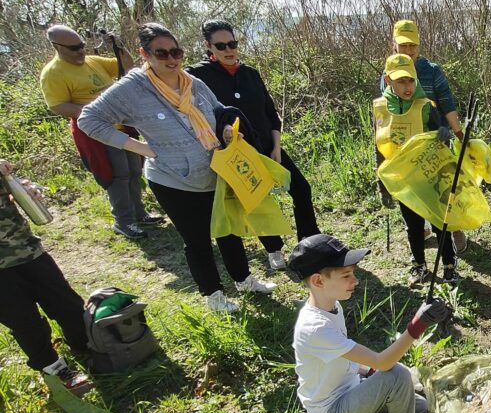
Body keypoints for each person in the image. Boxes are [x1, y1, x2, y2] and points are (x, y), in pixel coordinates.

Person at [78, 23, 276, 313]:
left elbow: (218, 109)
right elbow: (89, 119)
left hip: (214, 170)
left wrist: (225, 131)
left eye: (176, 52)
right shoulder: (132, 89)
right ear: (144, 54)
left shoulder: (191, 82)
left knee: (228, 229)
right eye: (162, 53)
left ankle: (243, 279)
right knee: (197, 240)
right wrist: (141, 148)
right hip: (173, 179)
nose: (171, 59)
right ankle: (214, 295)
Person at [288, 233, 450, 413]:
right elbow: (382, 362)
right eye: (346, 276)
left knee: (418, 407)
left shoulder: (332, 306)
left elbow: (348, 361)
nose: (355, 281)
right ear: (318, 281)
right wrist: (417, 325)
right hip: (333, 412)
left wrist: (371, 374)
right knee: (397, 375)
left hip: (350, 390)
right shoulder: (316, 328)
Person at [187, 19, 321, 272]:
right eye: (221, 45)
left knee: (301, 189)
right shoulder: (197, 77)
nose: (229, 50)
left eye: (233, 43)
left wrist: (276, 147)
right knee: (256, 199)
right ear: (208, 47)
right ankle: (274, 249)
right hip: (236, 153)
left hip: (269, 145)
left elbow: (270, 113)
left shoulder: (250, 73)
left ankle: (310, 240)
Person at [39, 25, 162, 240]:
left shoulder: (92, 62)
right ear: (57, 47)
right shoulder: (53, 73)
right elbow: (58, 106)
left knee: (134, 170)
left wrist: (117, 45)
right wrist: (94, 115)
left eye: (82, 46)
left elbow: (127, 65)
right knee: (116, 175)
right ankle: (123, 222)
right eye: (74, 48)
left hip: (122, 124)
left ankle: (139, 213)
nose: (80, 52)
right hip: (96, 131)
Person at [0, 159, 92, 394]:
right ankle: (56, 370)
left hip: (28, 250)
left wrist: (25, 188)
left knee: (68, 305)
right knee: (25, 323)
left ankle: (87, 348)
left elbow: (16, 191)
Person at [379, 19, 468, 253]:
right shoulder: (389, 73)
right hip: (405, 145)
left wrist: (456, 132)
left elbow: (447, 103)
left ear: (419, 45)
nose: (409, 50)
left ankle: (455, 228)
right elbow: (388, 110)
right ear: (394, 44)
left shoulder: (432, 71)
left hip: (436, 136)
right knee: (414, 189)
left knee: (441, 187)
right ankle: (423, 227)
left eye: (413, 45)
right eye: (403, 45)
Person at [374, 53, 458, 287]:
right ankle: (419, 266)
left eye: (411, 80)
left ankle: (449, 266)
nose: (407, 86)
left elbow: (440, 130)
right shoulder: (381, 109)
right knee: (413, 226)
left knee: (440, 222)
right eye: (401, 81)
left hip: (429, 174)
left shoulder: (425, 106)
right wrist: (382, 183)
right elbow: (379, 146)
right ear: (389, 80)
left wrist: (444, 132)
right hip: (403, 178)